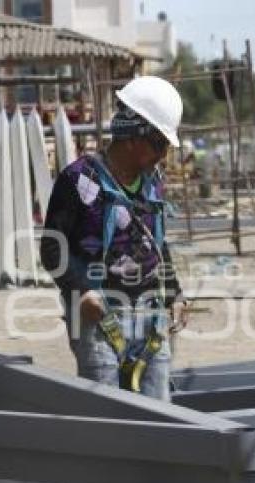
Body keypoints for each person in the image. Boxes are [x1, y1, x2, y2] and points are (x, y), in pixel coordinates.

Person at [40, 76, 188, 402]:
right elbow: (52, 248)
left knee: (162, 415)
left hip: (150, 315)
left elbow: (156, 244)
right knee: (108, 417)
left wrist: (174, 293)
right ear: (134, 136)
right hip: (99, 318)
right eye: (159, 144)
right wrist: (81, 289)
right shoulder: (78, 180)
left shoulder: (152, 182)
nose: (164, 154)